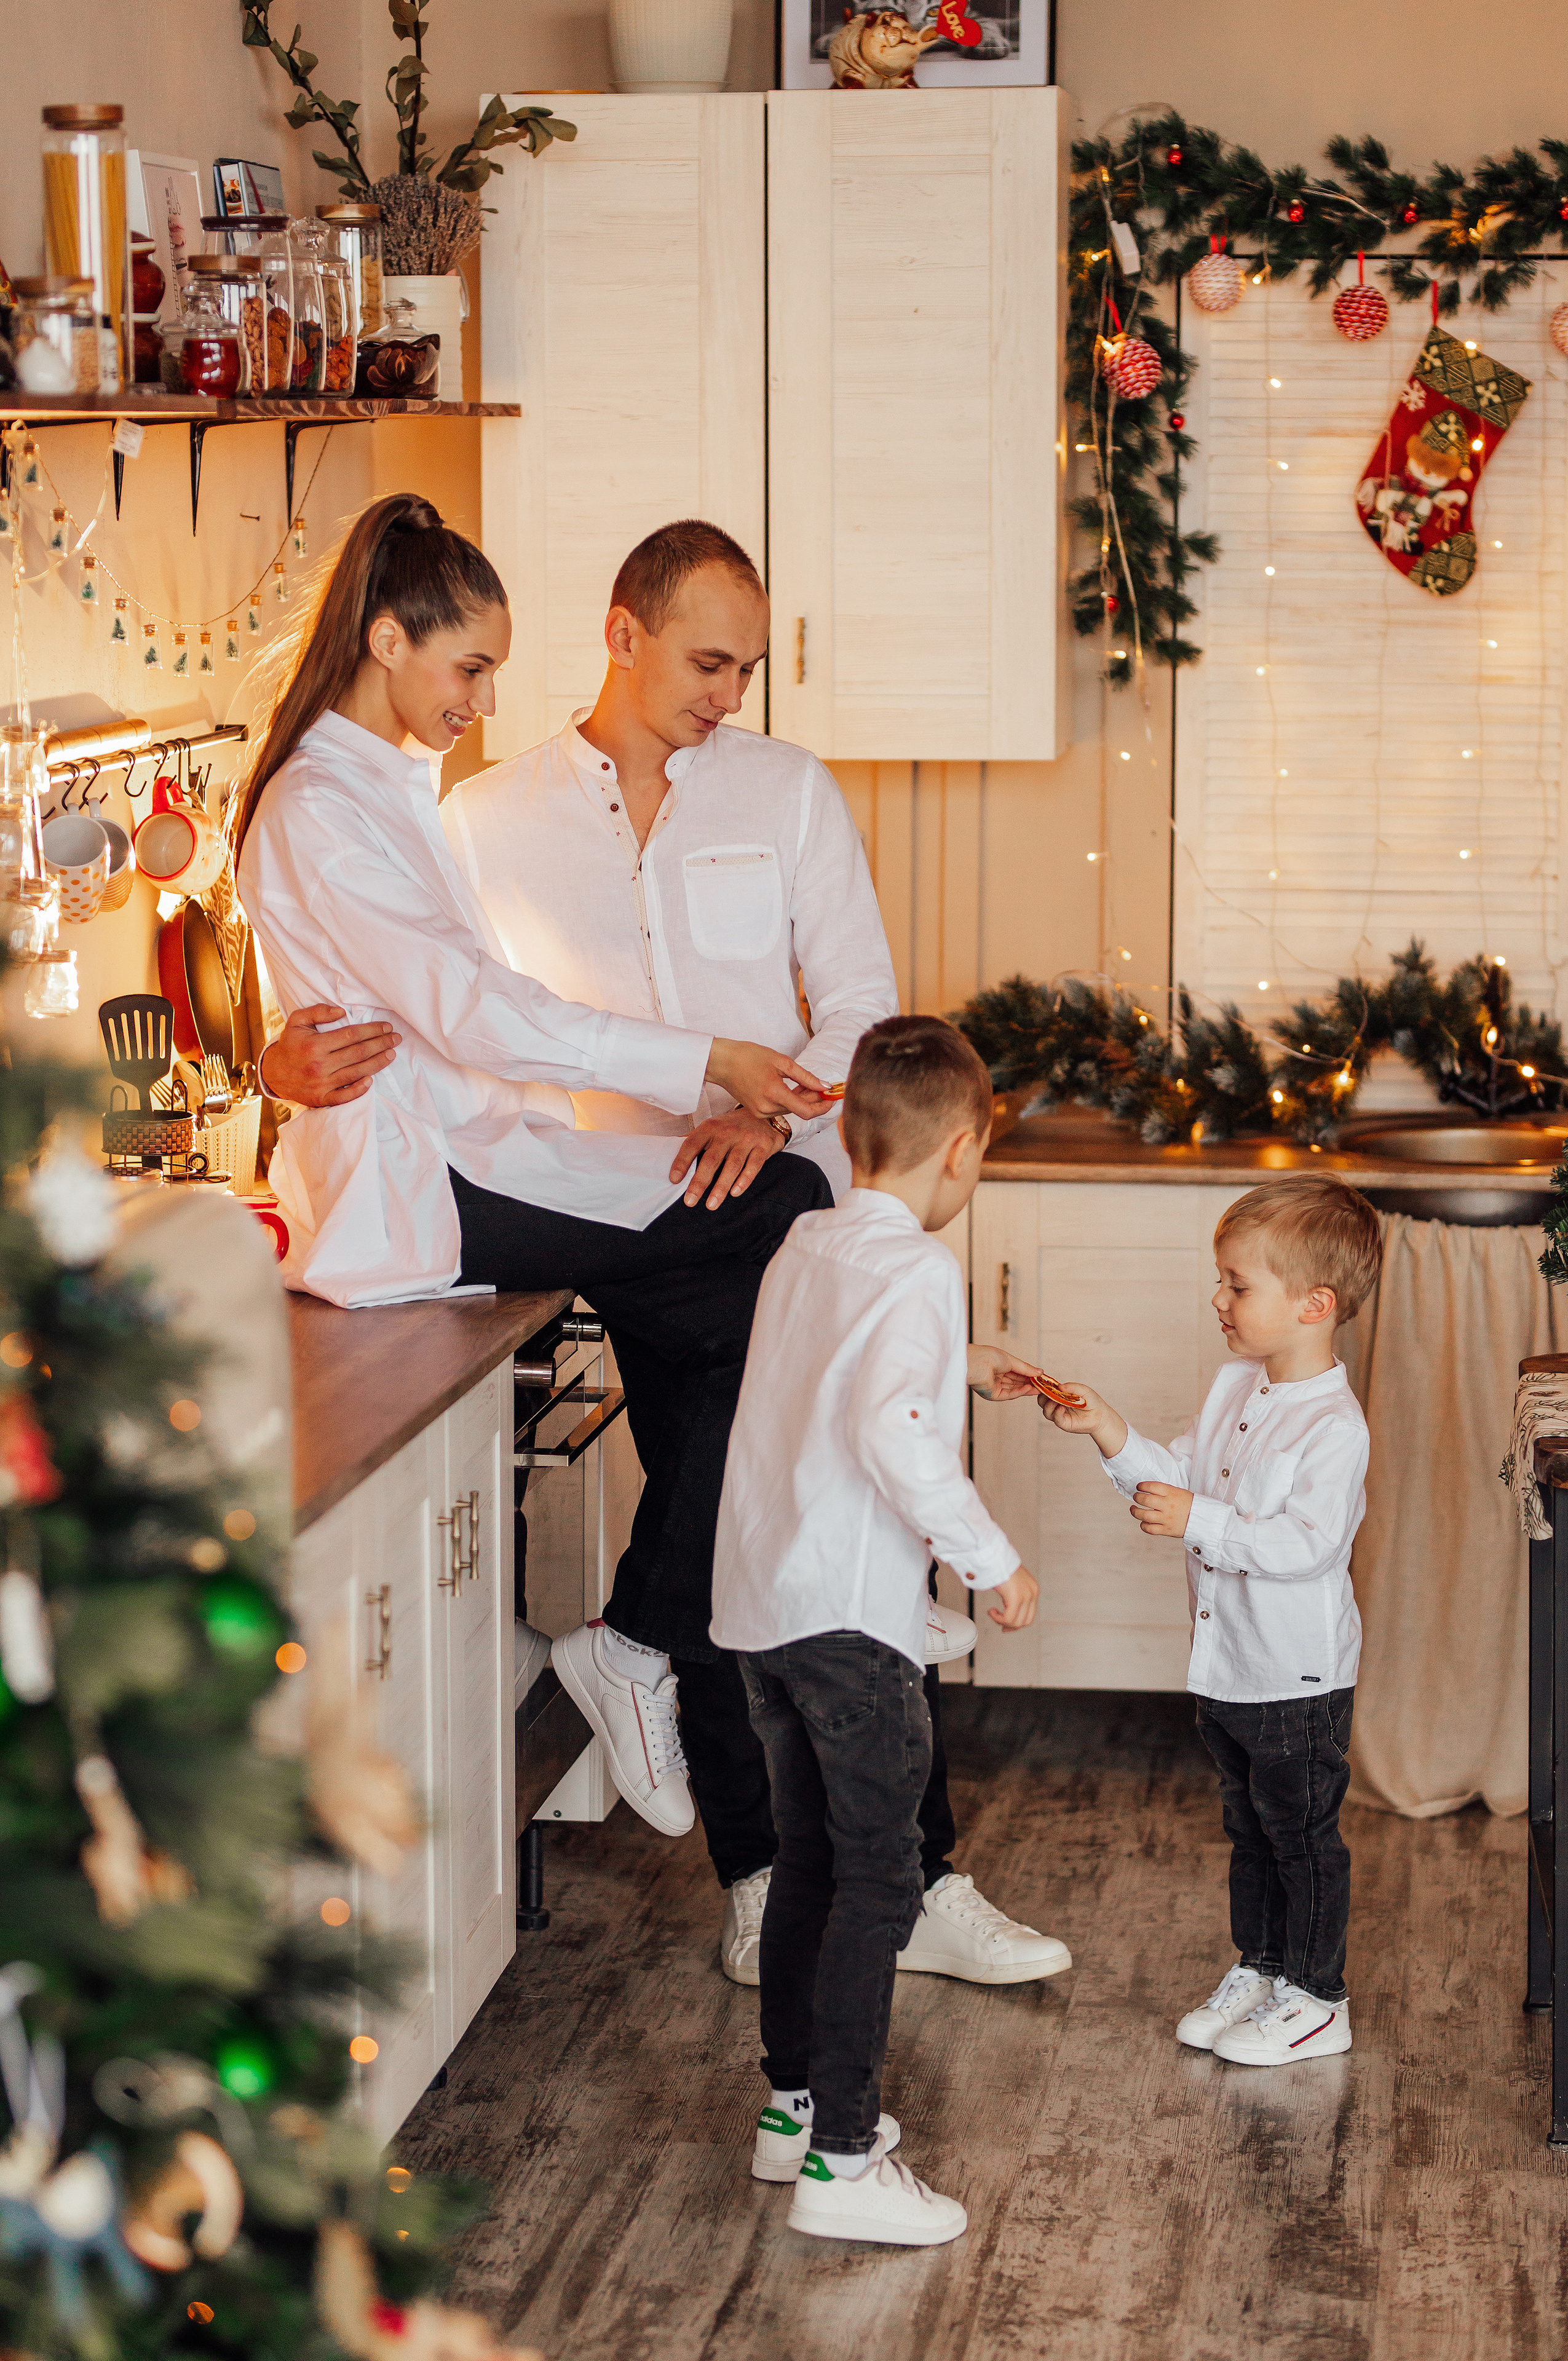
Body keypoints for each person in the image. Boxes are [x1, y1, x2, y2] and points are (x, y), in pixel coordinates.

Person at [258, 518, 1071, 1995]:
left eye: (749, 668)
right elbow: (449, 1010)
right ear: (623, 630)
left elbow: (861, 1012)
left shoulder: (784, 793)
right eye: (708, 659)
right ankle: (762, 1878)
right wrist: (275, 1063)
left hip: (758, 1191)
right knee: (733, 1518)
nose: (730, 693)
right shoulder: (474, 812)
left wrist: (764, 1123)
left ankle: (918, 1874)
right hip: (608, 1194)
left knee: (826, 1537)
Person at [234, 496, 837, 1842]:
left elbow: (441, 1006)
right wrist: (709, 1064)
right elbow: (471, 1010)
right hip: (427, 1184)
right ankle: (643, 1641)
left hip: (479, 1151)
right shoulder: (326, 806)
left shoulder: (383, 788)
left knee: (750, 1299)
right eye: (467, 667)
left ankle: (641, 1640)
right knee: (786, 1213)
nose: (483, 697)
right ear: (387, 638)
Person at [713, 1015, 1039, 2248]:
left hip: (764, 1612)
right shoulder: (918, 1270)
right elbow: (889, 1434)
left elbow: (828, 1374)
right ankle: (845, 2164)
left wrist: (958, 1361)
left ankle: (792, 2112)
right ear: (959, 1151)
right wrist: (990, 1561)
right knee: (878, 1879)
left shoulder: (808, 1241)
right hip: (849, 1626)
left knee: (808, 1862)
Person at [1043, 1176, 1382, 2068]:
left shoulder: (1334, 1428)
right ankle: (1263, 1968)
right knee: (1249, 1829)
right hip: (1224, 1666)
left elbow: (1306, 1545)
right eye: (1221, 1280)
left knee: (1302, 1838)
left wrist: (1198, 1521)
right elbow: (1181, 1473)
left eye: (1239, 1284)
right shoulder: (1237, 1384)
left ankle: (1317, 1998)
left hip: (1295, 1677)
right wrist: (1109, 1431)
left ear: (1315, 1305)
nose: (1218, 1298)